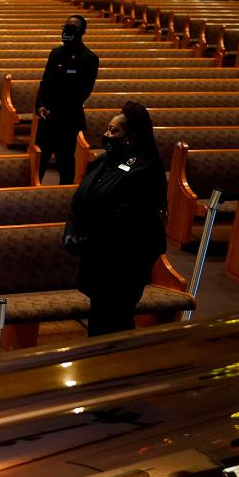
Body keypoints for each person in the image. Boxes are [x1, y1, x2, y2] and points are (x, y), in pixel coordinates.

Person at [64, 102, 167, 337]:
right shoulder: (102, 162)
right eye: (107, 129)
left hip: (124, 261)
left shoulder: (145, 170)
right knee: (101, 318)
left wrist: (83, 241)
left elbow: (120, 222)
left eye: (114, 131)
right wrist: (70, 232)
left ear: (131, 137)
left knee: (114, 321)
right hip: (99, 258)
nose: (106, 135)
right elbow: (78, 200)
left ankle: (114, 368)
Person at [35, 14, 99, 186]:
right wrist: (40, 106)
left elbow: (81, 94)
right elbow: (45, 82)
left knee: (65, 162)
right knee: (39, 160)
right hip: (45, 118)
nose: (67, 31)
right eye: (66, 27)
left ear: (82, 32)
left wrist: (54, 111)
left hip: (67, 120)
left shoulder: (89, 58)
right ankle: (33, 193)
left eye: (73, 28)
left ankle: (64, 198)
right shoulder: (55, 53)